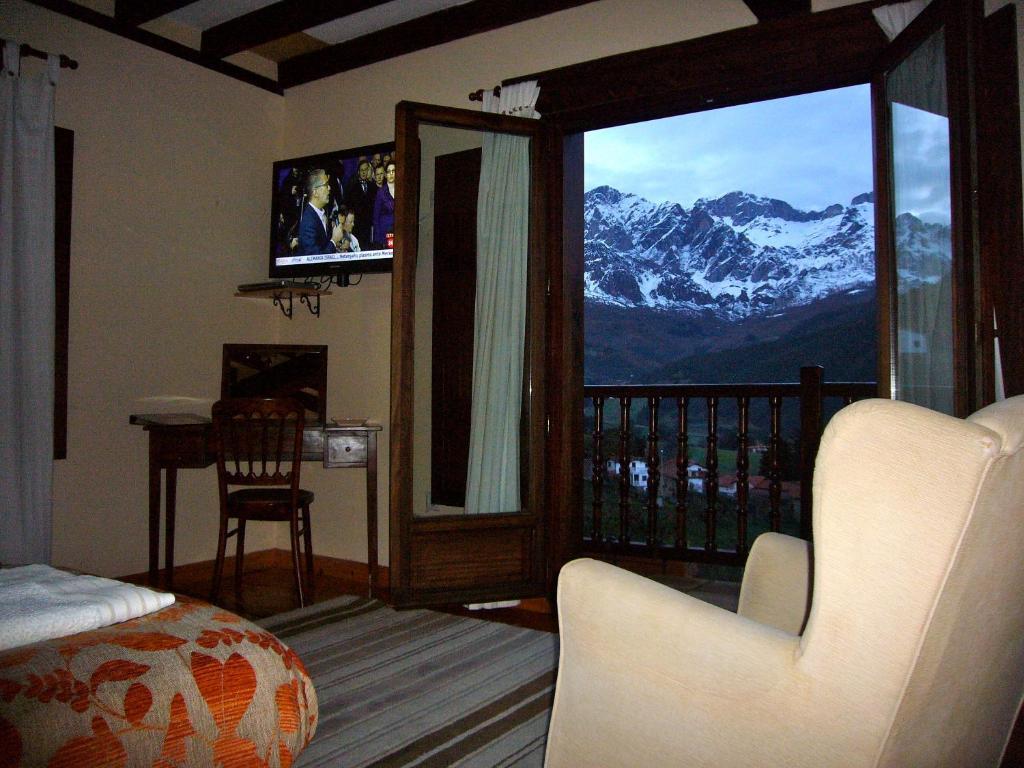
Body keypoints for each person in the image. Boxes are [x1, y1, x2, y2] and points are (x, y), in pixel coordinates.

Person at [298, 169, 344, 256]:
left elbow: (323, 246)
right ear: (315, 192)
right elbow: (315, 259)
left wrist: (335, 246)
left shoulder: (321, 213)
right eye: (326, 185)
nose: (329, 188)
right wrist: (334, 241)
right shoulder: (308, 222)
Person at [343, 159, 375, 247]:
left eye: (365, 170)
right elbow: (348, 204)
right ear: (358, 172)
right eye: (362, 170)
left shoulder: (372, 186)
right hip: (357, 226)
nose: (364, 172)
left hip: (368, 225)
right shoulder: (352, 187)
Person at [373, 161, 396, 248]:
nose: (391, 174)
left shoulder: (401, 190)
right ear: (386, 175)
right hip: (384, 233)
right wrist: (378, 239)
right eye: (389, 171)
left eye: (393, 171)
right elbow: (376, 216)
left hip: (399, 232)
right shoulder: (381, 192)